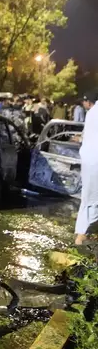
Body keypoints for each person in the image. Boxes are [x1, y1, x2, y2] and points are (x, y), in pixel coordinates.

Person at [75, 92, 98, 246]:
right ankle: (84, 236)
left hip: (89, 160)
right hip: (95, 160)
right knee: (94, 200)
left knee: (88, 198)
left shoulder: (92, 112)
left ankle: (80, 234)